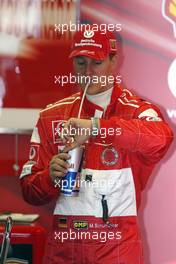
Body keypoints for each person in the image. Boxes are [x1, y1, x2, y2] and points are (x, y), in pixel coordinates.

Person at [20, 26, 173, 264]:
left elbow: (162, 138)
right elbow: (29, 191)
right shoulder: (52, 116)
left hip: (116, 250)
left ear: (114, 60)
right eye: (80, 63)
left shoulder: (136, 110)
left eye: (96, 63)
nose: (88, 72)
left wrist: (96, 128)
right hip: (63, 249)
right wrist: (50, 177)